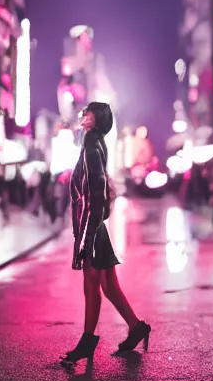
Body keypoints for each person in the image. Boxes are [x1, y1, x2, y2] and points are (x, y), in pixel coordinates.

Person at [61, 102, 151, 367]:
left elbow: (96, 188)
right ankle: (137, 328)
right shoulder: (96, 141)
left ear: (96, 120)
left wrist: (85, 238)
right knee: (109, 286)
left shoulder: (91, 141)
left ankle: (87, 343)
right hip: (95, 224)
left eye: (88, 113)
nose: (83, 116)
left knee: (92, 286)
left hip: (91, 226)